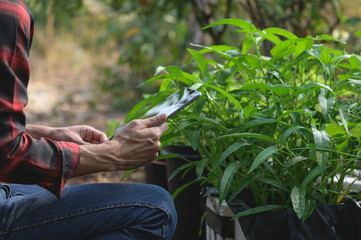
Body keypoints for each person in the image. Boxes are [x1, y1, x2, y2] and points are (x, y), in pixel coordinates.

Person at [0, 0, 177, 239]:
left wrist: (49, 135)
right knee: (156, 207)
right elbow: (7, 154)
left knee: (44, 190)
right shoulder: (8, 12)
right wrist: (114, 153)